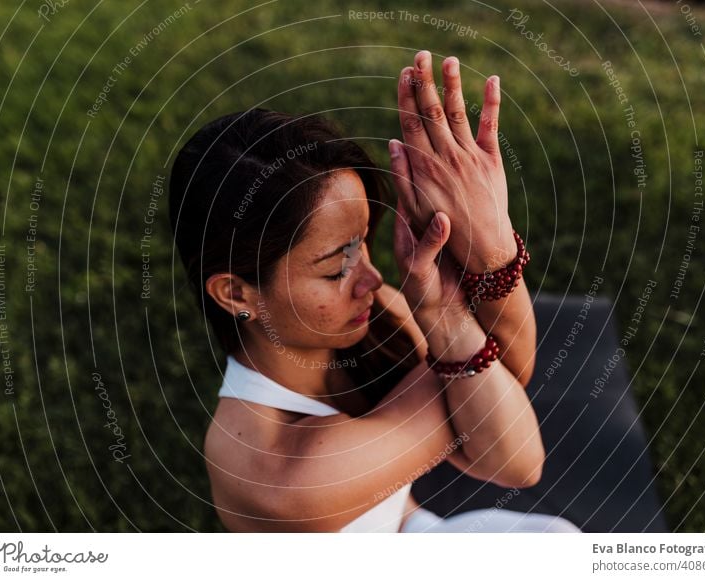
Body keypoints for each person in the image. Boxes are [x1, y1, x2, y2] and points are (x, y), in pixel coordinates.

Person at [169, 50, 580, 533]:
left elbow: (501, 378)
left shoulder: (370, 312)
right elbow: (511, 455)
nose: (370, 278)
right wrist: (447, 310)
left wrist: (491, 242)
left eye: (362, 243)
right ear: (236, 294)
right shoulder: (275, 474)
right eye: (333, 268)